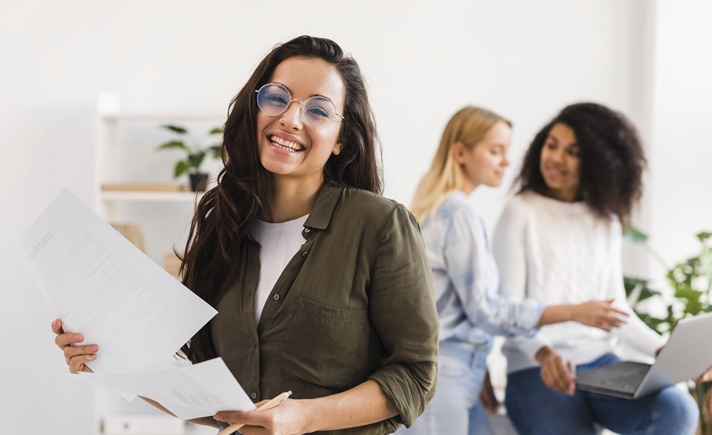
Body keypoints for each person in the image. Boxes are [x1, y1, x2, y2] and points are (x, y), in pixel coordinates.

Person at [51, 35, 439, 435]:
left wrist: (302, 418)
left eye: (318, 110)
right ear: (255, 108)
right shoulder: (224, 223)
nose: (290, 118)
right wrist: (110, 362)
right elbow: (218, 403)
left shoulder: (379, 224)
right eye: (277, 98)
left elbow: (415, 374)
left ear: (341, 140)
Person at [395, 106, 628, 435]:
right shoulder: (458, 214)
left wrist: (482, 367)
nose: (506, 161)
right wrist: (573, 312)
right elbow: (486, 310)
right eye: (495, 151)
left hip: (458, 372)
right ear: (461, 153)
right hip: (444, 376)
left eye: (507, 151)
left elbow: (455, 311)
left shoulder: (440, 209)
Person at [493, 102, 701, 434]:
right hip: (536, 367)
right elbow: (509, 311)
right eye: (552, 145)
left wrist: (662, 350)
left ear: (598, 161)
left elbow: (615, 311)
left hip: (601, 363)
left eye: (572, 151)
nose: (556, 158)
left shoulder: (606, 220)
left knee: (677, 411)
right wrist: (545, 354)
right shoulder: (520, 212)